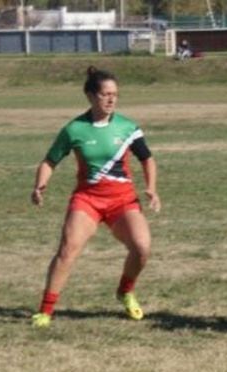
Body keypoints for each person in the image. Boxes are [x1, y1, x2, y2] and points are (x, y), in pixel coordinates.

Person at [30, 66, 160, 328]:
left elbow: (147, 159)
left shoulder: (128, 127)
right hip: (87, 200)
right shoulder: (74, 130)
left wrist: (152, 188)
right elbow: (49, 161)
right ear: (91, 96)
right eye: (105, 94)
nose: (111, 99)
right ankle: (45, 311)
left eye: (115, 94)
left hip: (123, 201)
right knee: (68, 251)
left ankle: (125, 291)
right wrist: (40, 185)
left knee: (142, 248)